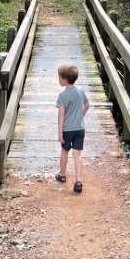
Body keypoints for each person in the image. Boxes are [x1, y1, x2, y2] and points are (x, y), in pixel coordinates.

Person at [55, 63, 90, 193]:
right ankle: (78, 181)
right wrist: (81, 116)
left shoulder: (62, 96)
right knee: (77, 154)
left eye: (59, 77)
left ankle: (62, 175)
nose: (58, 79)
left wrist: (60, 133)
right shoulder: (81, 91)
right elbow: (87, 105)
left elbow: (61, 116)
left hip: (67, 130)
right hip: (79, 128)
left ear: (65, 80)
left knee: (64, 151)